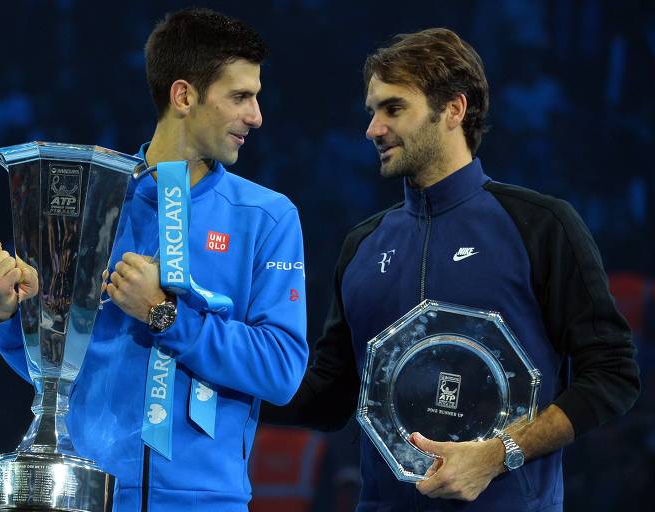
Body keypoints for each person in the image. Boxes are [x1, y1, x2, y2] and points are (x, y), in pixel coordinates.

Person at [263, 28, 640, 511]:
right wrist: (206, 358)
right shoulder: (363, 244)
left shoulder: (541, 225)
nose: (373, 128)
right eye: (372, 111)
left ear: (454, 110)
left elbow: (613, 373)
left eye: (393, 108)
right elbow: (330, 397)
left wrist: (501, 454)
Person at [0, 8, 308, 512]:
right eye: (241, 96)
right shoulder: (94, 199)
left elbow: (281, 371)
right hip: (88, 492)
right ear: (184, 96)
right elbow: (54, 367)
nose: (257, 115)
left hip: (205, 501)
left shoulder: (267, 217)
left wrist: (164, 315)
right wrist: (5, 312)